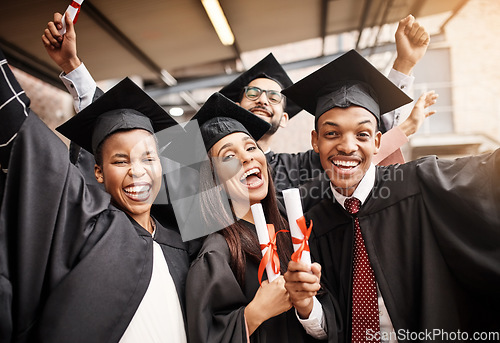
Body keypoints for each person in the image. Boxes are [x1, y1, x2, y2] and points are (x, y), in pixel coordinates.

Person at [41, 13, 435, 196]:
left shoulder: (300, 167)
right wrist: (74, 68)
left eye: (274, 96)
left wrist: (402, 66)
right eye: (253, 93)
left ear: (285, 118)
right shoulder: (195, 160)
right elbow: (121, 135)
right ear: (233, 103)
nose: (264, 99)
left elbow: (355, 149)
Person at [282, 49, 500, 343]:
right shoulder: (312, 226)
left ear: (377, 141)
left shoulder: (420, 183)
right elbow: (329, 326)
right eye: (332, 134)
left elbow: (487, 174)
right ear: (315, 141)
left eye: (361, 134)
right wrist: (306, 305)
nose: (347, 146)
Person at [0, 55, 189, 343]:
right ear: (98, 172)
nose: (137, 171)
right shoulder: (89, 228)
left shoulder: (184, 244)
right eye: (121, 161)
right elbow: (31, 144)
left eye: (149, 158)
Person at [183, 92, 340, 343]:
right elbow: (206, 335)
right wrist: (254, 314)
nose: (246, 157)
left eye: (250, 147)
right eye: (229, 156)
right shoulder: (217, 254)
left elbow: (330, 328)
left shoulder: (294, 230)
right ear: (213, 179)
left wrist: (306, 306)